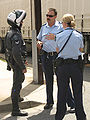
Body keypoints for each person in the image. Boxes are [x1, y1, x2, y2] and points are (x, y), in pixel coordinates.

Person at [37, 8, 75, 110]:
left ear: (55, 17)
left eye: (50, 16)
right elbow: (39, 38)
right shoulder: (43, 27)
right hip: (46, 56)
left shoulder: (60, 27)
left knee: (62, 80)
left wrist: (55, 37)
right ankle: (49, 102)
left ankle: (71, 104)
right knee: (48, 80)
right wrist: (39, 43)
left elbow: (67, 38)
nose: (48, 18)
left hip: (57, 56)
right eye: (47, 15)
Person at [55, 13, 86, 120]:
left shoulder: (59, 35)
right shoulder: (79, 35)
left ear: (64, 23)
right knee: (77, 92)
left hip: (63, 67)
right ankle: (81, 116)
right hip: (75, 66)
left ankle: (59, 116)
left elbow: (57, 50)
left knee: (62, 92)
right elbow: (80, 50)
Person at [5, 10, 28, 116]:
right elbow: (16, 53)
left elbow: (7, 50)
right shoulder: (16, 35)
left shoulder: (10, 32)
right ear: (17, 22)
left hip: (14, 63)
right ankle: (15, 109)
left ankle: (17, 97)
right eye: (22, 21)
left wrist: (9, 64)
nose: (23, 22)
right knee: (17, 84)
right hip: (17, 64)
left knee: (20, 79)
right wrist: (22, 66)